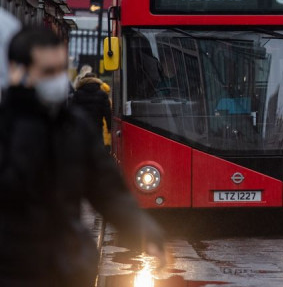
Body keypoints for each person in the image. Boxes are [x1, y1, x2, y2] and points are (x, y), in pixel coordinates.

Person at [0, 27, 165, 287]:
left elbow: (108, 191)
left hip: (66, 268)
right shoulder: (8, 128)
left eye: (59, 70)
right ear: (16, 71)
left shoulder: (72, 128)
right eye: (47, 72)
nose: (56, 80)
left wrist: (144, 231)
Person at [71, 72, 113, 141]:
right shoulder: (102, 94)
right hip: (97, 126)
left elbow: (72, 110)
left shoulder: (77, 94)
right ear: (96, 80)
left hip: (81, 127)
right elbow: (107, 112)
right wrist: (109, 127)